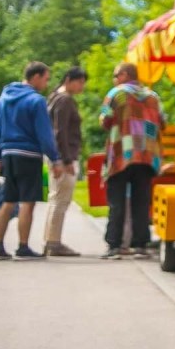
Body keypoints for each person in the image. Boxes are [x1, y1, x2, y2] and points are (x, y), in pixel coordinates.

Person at [0, 62, 64, 260]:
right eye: (46, 79)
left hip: (8, 154)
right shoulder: (36, 101)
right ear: (36, 77)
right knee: (27, 202)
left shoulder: (5, 97)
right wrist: (55, 159)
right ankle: (23, 247)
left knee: (8, 201)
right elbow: (44, 133)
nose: (46, 84)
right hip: (28, 155)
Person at [99, 63, 166, 259]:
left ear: (125, 74)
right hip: (146, 155)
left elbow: (105, 120)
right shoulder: (153, 97)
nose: (114, 79)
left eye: (115, 75)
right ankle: (140, 245)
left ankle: (114, 246)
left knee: (117, 201)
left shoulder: (117, 94)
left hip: (122, 153)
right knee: (141, 201)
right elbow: (163, 123)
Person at [43, 66, 88, 256]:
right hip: (64, 156)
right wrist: (65, 160)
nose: (82, 87)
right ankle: (53, 243)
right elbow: (59, 131)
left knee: (56, 199)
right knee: (60, 200)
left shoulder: (54, 97)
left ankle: (51, 241)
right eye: (80, 82)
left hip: (58, 155)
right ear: (69, 79)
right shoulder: (65, 100)